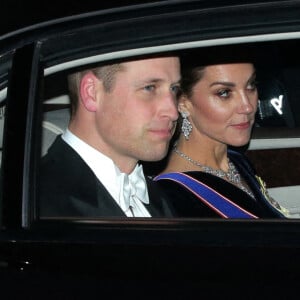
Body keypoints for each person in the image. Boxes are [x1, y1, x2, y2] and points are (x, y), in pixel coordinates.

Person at [39, 54, 181, 217]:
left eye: (174, 89)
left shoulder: (156, 197)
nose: (173, 112)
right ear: (92, 92)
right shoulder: (38, 204)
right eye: (149, 88)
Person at [154, 55, 289, 218]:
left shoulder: (237, 161)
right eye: (224, 93)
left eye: (251, 86)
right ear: (183, 102)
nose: (247, 106)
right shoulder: (173, 195)